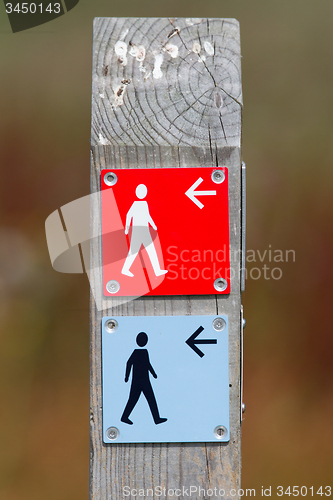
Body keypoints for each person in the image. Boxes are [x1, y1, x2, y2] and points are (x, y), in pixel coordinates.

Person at [121, 184, 168, 277]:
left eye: (144, 191)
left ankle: (157, 270)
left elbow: (147, 216)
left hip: (145, 230)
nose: (143, 193)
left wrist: (153, 225)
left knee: (151, 250)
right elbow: (128, 215)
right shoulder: (135, 204)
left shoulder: (145, 203)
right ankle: (125, 269)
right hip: (138, 230)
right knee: (133, 251)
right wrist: (127, 228)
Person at [121, 332, 167, 425]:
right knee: (133, 399)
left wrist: (153, 373)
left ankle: (156, 418)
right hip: (138, 381)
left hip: (145, 380)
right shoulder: (136, 352)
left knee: (150, 399)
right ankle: (124, 417)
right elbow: (129, 363)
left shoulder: (145, 352)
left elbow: (147, 364)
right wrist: (127, 376)